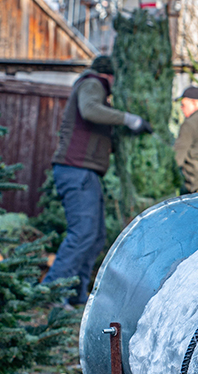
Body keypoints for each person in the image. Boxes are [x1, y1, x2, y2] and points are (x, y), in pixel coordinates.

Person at [43, 55, 152, 307]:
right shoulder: (93, 83)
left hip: (84, 172)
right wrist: (129, 119)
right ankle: (51, 292)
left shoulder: (97, 88)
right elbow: (89, 110)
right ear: (110, 76)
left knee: (95, 236)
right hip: (76, 170)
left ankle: (76, 294)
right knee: (82, 234)